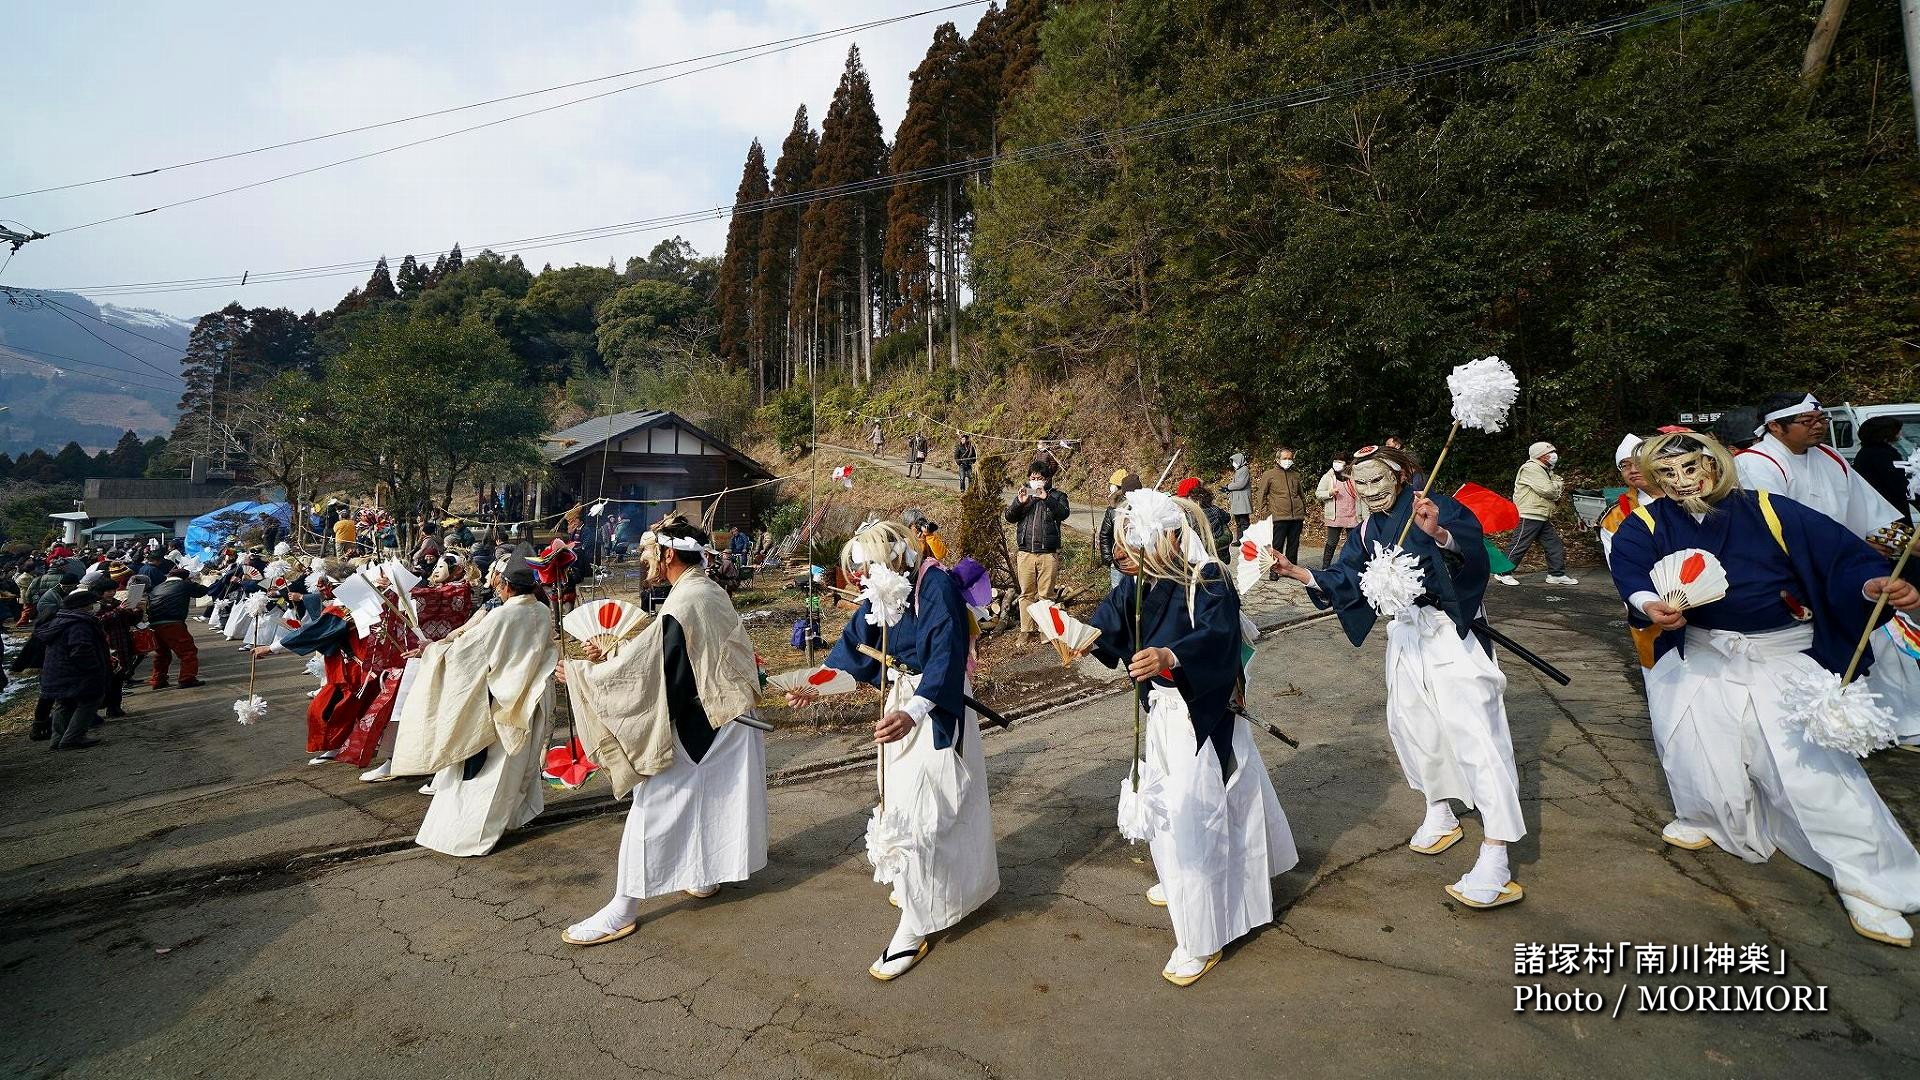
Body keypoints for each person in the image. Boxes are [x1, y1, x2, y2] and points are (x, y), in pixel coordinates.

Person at [1609, 432, 1920, 946]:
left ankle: (1871, 878)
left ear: (1715, 464)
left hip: (1780, 654)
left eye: (1691, 467)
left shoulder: (1771, 511)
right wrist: (1647, 604)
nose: (1681, 482)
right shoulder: (1646, 523)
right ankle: (1710, 817)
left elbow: (1841, 558)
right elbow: (1630, 569)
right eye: (1667, 474)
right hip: (1701, 653)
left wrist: (1872, 586)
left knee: (1812, 770)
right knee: (1694, 748)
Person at [1271, 445, 1527, 910]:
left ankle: (1497, 849)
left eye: (1377, 480)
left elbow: (1473, 557)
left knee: (1476, 734)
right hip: (1406, 633)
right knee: (1412, 726)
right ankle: (1439, 810)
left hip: (1450, 631)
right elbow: (1347, 577)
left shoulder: (1435, 506)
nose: (1370, 491)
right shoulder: (1366, 528)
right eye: (1360, 483)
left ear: (1402, 476)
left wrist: (1442, 535)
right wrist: (1298, 572)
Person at [1085, 489, 1296, 985]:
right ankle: (1184, 876)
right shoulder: (1137, 584)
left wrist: (1170, 656)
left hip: (1199, 713)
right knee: (1173, 805)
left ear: (1173, 537)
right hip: (1161, 714)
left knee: (1194, 811)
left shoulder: (1209, 577)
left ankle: (1203, 932)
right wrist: (1073, 633)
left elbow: (1219, 639)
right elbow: (1107, 627)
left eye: (1137, 543)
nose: (1126, 555)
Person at [793, 519, 998, 980]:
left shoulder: (934, 586)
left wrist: (915, 711)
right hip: (901, 702)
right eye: (859, 574)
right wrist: (813, 685)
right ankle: (924, 888)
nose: (862, 581)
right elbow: (853, 649)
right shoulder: (882, 591)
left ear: (892, 559)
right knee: (900, 801)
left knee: (930, 808)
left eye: (867, 570)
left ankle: (915, 923)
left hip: (934, 705)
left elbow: (945, 656)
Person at [560, 520, 768, 946]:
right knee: (715, 800)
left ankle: (622, 908)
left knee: (652, 808)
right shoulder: (703, 589)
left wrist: (587, 675)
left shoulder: (686, 600)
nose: (644, 560)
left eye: (648, 552)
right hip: (726, 712)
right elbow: (669, 654)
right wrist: (614, 652)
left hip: (705, 719)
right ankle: (704, 873)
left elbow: (659, 670)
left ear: (668, 554)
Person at [1734, 394, 1915, 744]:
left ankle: (1889, 724)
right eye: (1808, 421)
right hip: (1799, 575)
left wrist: (1903, 542)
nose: (1819, 426)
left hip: (1846, 568)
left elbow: (1870, 512)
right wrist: (1854, 549)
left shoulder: (1830, 456)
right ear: (1775, 426)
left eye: (1821, 419)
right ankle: (1834, 727)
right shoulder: (1755, 464)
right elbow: (1775, 531)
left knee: (1883, 636)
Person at [390, 557, 559, 857]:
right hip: (532, 700)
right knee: (515, 770)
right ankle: (507, 820)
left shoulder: (503, 615)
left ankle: (467, 835)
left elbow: (468, 652)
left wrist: (433, 650)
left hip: (501, 703)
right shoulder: (543, 611)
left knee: (489, 774)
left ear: (506, 586)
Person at [1596, 435, 1662, 670]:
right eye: (1625, 465)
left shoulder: (1688, 499)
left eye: (1639, 462)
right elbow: (1620, 569)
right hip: (1649, 603)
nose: (1632, 470)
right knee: (1658, 670)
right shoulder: (1615, 516)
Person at [35, 588, 110, 750]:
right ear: (85, 606)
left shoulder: (59, 620)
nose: (96, 606)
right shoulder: (80, 624)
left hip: (56, 670)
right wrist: (94, 667)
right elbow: (81, 649)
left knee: (64, 703)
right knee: (90, 701)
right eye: (93, 603)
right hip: (76, 672)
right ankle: (73, 738)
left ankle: (58, 739)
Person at [1005, 460, 1071, 643]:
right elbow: (1009, 516)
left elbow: (1064, 513)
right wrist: (1019, 503)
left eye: (1039, 478)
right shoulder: (1025, 494)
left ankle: (1045, 628)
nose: (1035, 481)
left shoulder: (1057, 496)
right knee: (1026, 593)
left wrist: (1046, 498)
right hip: (1025, 552)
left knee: (1046, 595)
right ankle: (1025, 630)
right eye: (1032, 478)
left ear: (1047, 479)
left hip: (1048, 553)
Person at [1496, 441, 1578, 587]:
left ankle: (1556, 574)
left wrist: (1555, 484)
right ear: (1540, 455)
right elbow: (1549, 490)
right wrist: (1558, 484)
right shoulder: (1531, 468)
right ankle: (1502, 572)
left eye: (1553, 451)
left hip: (1540, 513)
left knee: (1553, 544)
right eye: (1549, 453)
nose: (1554, 455)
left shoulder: (1544, 470)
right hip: (1530, 513)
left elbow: (1552, 487)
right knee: (1520, 544)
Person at [146, 565, 207, 689]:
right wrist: (192, 583)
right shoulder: (184, 585)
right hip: (172, 623)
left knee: (162, 653)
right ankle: (187, 678)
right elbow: (202, 591)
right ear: (185, 578)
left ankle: (158, 680)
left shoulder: (157, 587)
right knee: (187, 652)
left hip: (154, 624)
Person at [1854, 416, 1914, 527]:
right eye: (1897, 430)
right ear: (1886, 433)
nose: (1900, 433)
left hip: (1876, 510)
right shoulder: (1883, 454)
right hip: (1891, 511)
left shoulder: (1866, 452)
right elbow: (1898, 483)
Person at [1254, 448, 1309, 567]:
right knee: (1277, 545)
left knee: (1293, 545)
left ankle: (1291, 569)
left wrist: (1303, 510)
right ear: (1277, 459)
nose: (1288, 461)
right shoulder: (1269, 475)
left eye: (1290, 458)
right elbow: (1261, 494)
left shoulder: (1295, 475)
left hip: (1296, 516)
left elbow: (1301, 494)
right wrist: (1265, 513)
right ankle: (1274, 569)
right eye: (1285, 458)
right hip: (1278, 516)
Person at [1315, 457, 1363, 569]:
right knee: (1332, 542)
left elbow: (1361, 495)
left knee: (1353, 543)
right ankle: (1325, 567)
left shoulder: (1354, 476)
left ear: (1347, 464)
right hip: (1335, 516)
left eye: (1340, 462)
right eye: (1335, 462)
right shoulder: (1328, 477)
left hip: (1353, 515)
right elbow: (1318, 493)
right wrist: (1330, 492)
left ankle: (1351, 567)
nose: (1337, 464)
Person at [1099, 470, 1143, 589]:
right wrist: (1109, 559)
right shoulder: (1113, 510)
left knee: (1137, 592)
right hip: (1118, 561)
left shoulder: (1145, 509)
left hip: (1139, 562)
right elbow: (1105, 535)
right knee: (1117, 592)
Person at [1224, 453, 1252, 537]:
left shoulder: (1244, 469)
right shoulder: (1239, 470)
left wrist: (1228, 487)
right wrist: (1227, 489)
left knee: (1244, 522)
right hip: (1238, 501)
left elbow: (1241, 484)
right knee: (1239, 522)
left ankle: (1246, 540)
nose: (1233, 463)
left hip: (1242, 501)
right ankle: (1240, 539)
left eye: (1234, 461)